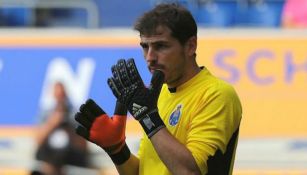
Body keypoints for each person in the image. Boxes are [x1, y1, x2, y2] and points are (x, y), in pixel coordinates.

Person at [75, 3, 242, 175]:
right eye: (145, 46)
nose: (150, 58)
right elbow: (144, 171)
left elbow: (190, 172)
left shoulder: (217, 94)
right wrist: (117, 150)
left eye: (161, 46)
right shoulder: (158, 95)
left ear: (191, 46)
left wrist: (149, 117)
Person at [33, 82, 88, 175]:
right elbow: (38, 141)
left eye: (62, 94)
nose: (60, 98)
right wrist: (53, 123)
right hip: (49, 154)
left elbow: (84, 146)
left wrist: (70, 130)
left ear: (66, 94)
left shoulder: (75, 115)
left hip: (70, 154)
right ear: (53, 95)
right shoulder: (46, 114)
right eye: (58, 95)